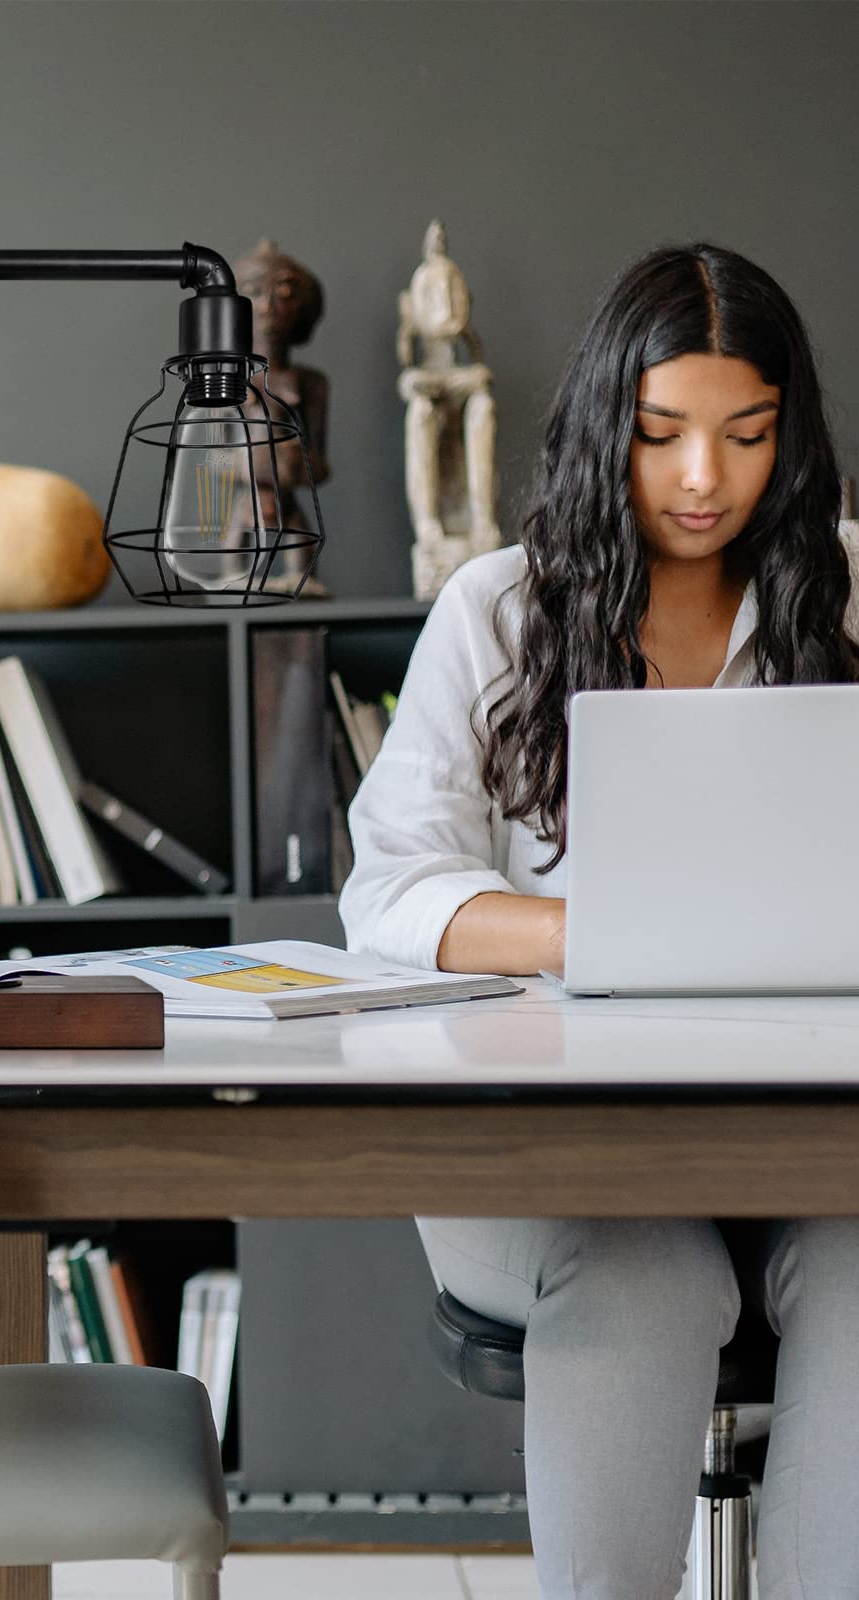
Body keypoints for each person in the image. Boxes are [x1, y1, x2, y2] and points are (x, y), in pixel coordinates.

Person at [339, 243, 859, 1600]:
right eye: (662, 435)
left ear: (788, 436)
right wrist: (603, 930)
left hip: (808, 1138)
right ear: (601, 431)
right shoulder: (496, 609)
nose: (705, 477)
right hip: (560, 1146)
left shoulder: (847, 592)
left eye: (747, 436)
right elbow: (389, 892)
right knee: (647, 1276)